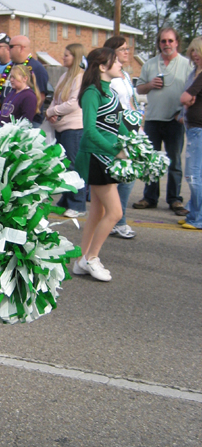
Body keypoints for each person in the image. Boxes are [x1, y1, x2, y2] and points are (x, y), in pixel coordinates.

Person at [72, 48, 130, 282]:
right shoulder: (91, 93)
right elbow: (89, 131)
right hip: (96, 157)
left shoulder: (112, 92)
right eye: (116, 61)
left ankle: (81, 259)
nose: (121, 64)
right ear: (103, 67)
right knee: (115, 212)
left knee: (99, 212)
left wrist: (136, 145)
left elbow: (120, 125)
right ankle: (91, 258)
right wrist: (116, 151)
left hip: (108, 157)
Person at [134, 27, 191, 216]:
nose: (167, 44)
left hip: (175, 120)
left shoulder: (187, 65)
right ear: (159, 43)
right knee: (151, 161)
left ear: (177, 42)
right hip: (152, 119)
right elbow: (139, 89)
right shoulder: (150, 64)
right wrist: (150, 85)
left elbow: (193, 92)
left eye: (170, 40)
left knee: (174, 161)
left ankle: (174, 199)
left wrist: (182, 114)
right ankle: (149, 197)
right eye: (163, 41)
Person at [103, 36, 141, 239]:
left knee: (126, 176)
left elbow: (131, 103)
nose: (127, 52)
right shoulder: (111, 78)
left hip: (131, 130)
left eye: (128, 48)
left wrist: (139, 128)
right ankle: (118, 220)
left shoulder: (124, 74)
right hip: (117, 131)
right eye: (122, 49)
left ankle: (114, 218)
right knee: (123, 177)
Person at [45, 43, 86, 218]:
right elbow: (56, 99)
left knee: (73, 165)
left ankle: (78, 204)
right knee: (63, 164)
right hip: (60, 126)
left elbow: (74, 103)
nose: (63, 57)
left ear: (75, 57)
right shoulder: (64, 76)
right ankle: (66, 199)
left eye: (67, 55)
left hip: (74, 127)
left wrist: (52, 111)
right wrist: (50, 112)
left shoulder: (80, 77)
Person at [179, 37, 202, 230]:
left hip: (199, 130)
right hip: (192, 127)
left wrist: (187, 100)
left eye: (199, 51)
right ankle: (194, 213)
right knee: (196, 175)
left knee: (193, 176)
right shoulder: (194, 73)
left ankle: (198, 218)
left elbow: (184, 96)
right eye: (193, 51)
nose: (195, 54)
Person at [7, 36, 49, 124]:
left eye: (11, 46)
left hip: (28, 122)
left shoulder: (36, 68)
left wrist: (25, 120)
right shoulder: (11, 67)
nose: (8, 49)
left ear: (21, 48)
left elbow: (40, 97)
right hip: (8, 120)